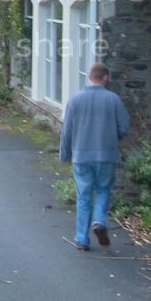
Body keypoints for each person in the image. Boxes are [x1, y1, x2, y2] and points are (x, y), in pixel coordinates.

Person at [59, 62, 130, 251]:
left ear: (90, 77)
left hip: (81, 156)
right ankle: (99, 221)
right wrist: (111, 137)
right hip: (106, 155)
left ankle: (82, 239)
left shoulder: (75, 100)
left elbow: (67, 131)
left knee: (83, 196)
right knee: (104, 189)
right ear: (105, 77)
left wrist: (65, 154)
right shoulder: (113, 99)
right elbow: (124, 127)